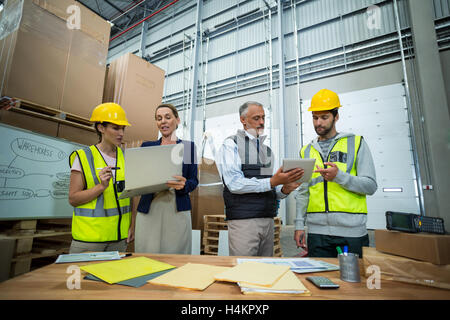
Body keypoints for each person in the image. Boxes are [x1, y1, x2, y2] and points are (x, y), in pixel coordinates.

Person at [294, 89, 377, 258]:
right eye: (315, 117)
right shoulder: (306, 151)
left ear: (336, 116)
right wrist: (299, 224)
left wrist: (339, 177)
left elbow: (370, 186)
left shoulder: (356, 143)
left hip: (352, 233)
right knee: (318, 280)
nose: (319, 123)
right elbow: (303, 192)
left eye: (324, 117)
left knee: (353, 282)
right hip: (317, 234)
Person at [217, 101, 304, 257]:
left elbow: (274, 190)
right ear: (243, 120)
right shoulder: (231, 144)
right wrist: (271, 182)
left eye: (263, 117)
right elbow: (234, 183)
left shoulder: (267, 151)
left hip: (267, 220)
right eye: (256, 118)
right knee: (245, 272)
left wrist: (285, 189)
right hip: (244, 222)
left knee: (265, 272)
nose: (262, 122)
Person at [129, 103, 198, 254]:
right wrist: (132, 223)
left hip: (177, 209)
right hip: (150, 208)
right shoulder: (147, 147)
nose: (163, 121)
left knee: (176, 255)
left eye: (168, 117)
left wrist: (185, 185)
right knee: (147, 254)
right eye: (159, 118)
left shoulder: (188, 147)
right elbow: (136, 183)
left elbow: (194, 180)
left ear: (177, 120)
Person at [68, 103, 132, 253]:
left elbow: (133, 196)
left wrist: (132, 225)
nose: (121, 133)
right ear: (101, 128)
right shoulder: (83, 157)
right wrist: (101, 187)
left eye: (123, 128)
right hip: (89, 240)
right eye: (115, 128)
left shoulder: (127, 157)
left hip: (119, 239)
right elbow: (73, 199)